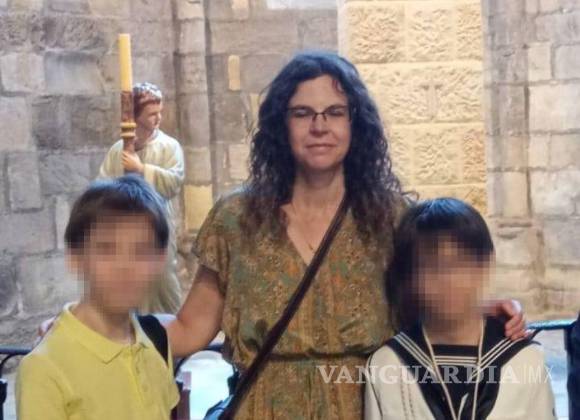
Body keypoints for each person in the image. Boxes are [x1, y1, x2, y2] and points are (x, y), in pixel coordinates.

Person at [38, 51, 527, 419]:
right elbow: (188, 330)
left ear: (355, 124)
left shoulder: (391, 219)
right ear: (282, 124)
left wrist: (483, 312)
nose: (319, 126)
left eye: (335, 112)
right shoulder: (237, 220)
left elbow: (428, 307)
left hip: (369, 408)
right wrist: (91, 324)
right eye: (303, 113)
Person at [365, 198, 556, 420]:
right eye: (431, 267)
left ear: (484, 265)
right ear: (410, 278)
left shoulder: (525, 360)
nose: (448, 280)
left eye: (460, 263)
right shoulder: (387, 365)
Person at [17, 175, 179, 420]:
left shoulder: (153, 344)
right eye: (106, 249)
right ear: (76, 258)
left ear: (159, 261)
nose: (125, 266)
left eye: (141, 251)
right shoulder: (45, 368)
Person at [98, 82, 184, 314]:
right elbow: (102, 186)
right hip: (127, 230)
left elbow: (174, 182)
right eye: (152, 114)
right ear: (135, 117)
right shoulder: (119, 150)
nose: (158, 118)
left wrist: (142, 170)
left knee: (163, 281)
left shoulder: (169, 146)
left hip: (157, 225)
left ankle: (170, 330)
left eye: (160, 112)